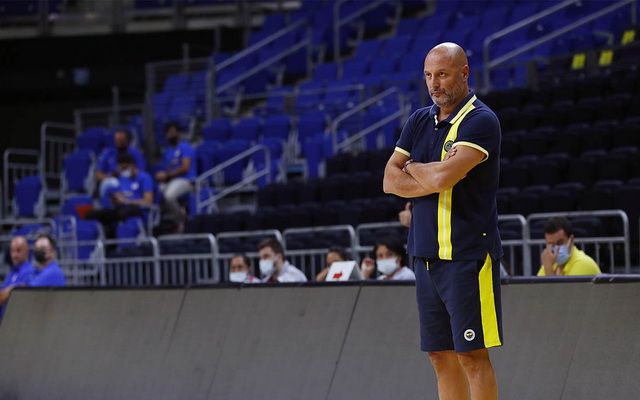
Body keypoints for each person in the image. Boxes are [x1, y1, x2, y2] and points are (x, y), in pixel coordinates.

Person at [383, 42, 503, 400]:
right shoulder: (419, 119)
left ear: (464, 73)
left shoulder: (481, 120)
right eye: (428, 75)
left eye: (442, 75)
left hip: (466, 255)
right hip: (424, 254)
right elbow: (389, 180)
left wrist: (413, 168)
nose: (434, 84)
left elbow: (442, 179)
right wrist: (431, 174)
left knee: (472, 356)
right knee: (439, 356)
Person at [87, 152, 154, 238]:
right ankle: (107, 242)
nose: (123, 171)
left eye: (125, 168)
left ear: (133, 165)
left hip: (139, 209)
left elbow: (148, 201)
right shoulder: (121, 178)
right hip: (121, 208)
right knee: (94, 214)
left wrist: (127, 201)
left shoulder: (145, 177)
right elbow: (120, 196)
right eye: (121, 168)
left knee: (121, 213)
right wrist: (115, 199)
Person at [155, 123, 196, 227]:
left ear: (179, 133)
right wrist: (162, 175)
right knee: (155, 192)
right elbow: (167, 169)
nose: (171, 135)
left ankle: (181, 219)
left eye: (173, 132)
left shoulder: (185, 147)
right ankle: (158, 223)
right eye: (168, 133)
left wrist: (167, 175)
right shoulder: (168, 151)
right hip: (171, 180)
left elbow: (185, 167)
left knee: (169, 196)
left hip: (186, 180)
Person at [537, 217, 601, 276]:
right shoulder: (550, 263)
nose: (557, 249)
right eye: (551, 244)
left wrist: (548, 269)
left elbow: (556, 285)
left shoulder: (584, 263)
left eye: (560, 243)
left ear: (571, 240)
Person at [95, 129, 147, 199]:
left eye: (121, 140)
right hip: (112, 181)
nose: (119, 142)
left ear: (127, 140)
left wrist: (127, 173)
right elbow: (98, 175)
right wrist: (110, 176)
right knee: (110, 183)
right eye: (117, 140)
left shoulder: (136, 153)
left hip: (131, 181)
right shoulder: (108, 152)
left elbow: (141, 172)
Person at [0, 236, 36, 321]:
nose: (14, 255)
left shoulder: (29, 272)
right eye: (12, 251)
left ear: (27, 251)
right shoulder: (11, 273)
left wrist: (8, 292)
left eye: (18, 250)